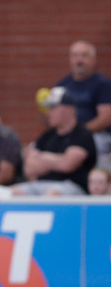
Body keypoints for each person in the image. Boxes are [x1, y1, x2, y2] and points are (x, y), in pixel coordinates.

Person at [12, 87, 97, 196]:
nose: (48, 113)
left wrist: (43, 157)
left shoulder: (82, 135)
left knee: (52, 194)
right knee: (12, 192)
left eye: (53, 107)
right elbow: (29, 169)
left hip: (72, 186)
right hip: (42, 184)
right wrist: (57, 160)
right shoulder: (46, 136)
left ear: (69, 109)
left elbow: (68, 164)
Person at [56, 41, 111, 169]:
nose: (79, 60)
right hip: (68, 135)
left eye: (84, 55)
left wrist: (80, 133)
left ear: (93, 59)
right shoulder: (63, 85)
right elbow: (53, 117)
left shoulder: (103, 84)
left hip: (97, 135)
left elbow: (106, 118)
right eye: (75, 56)